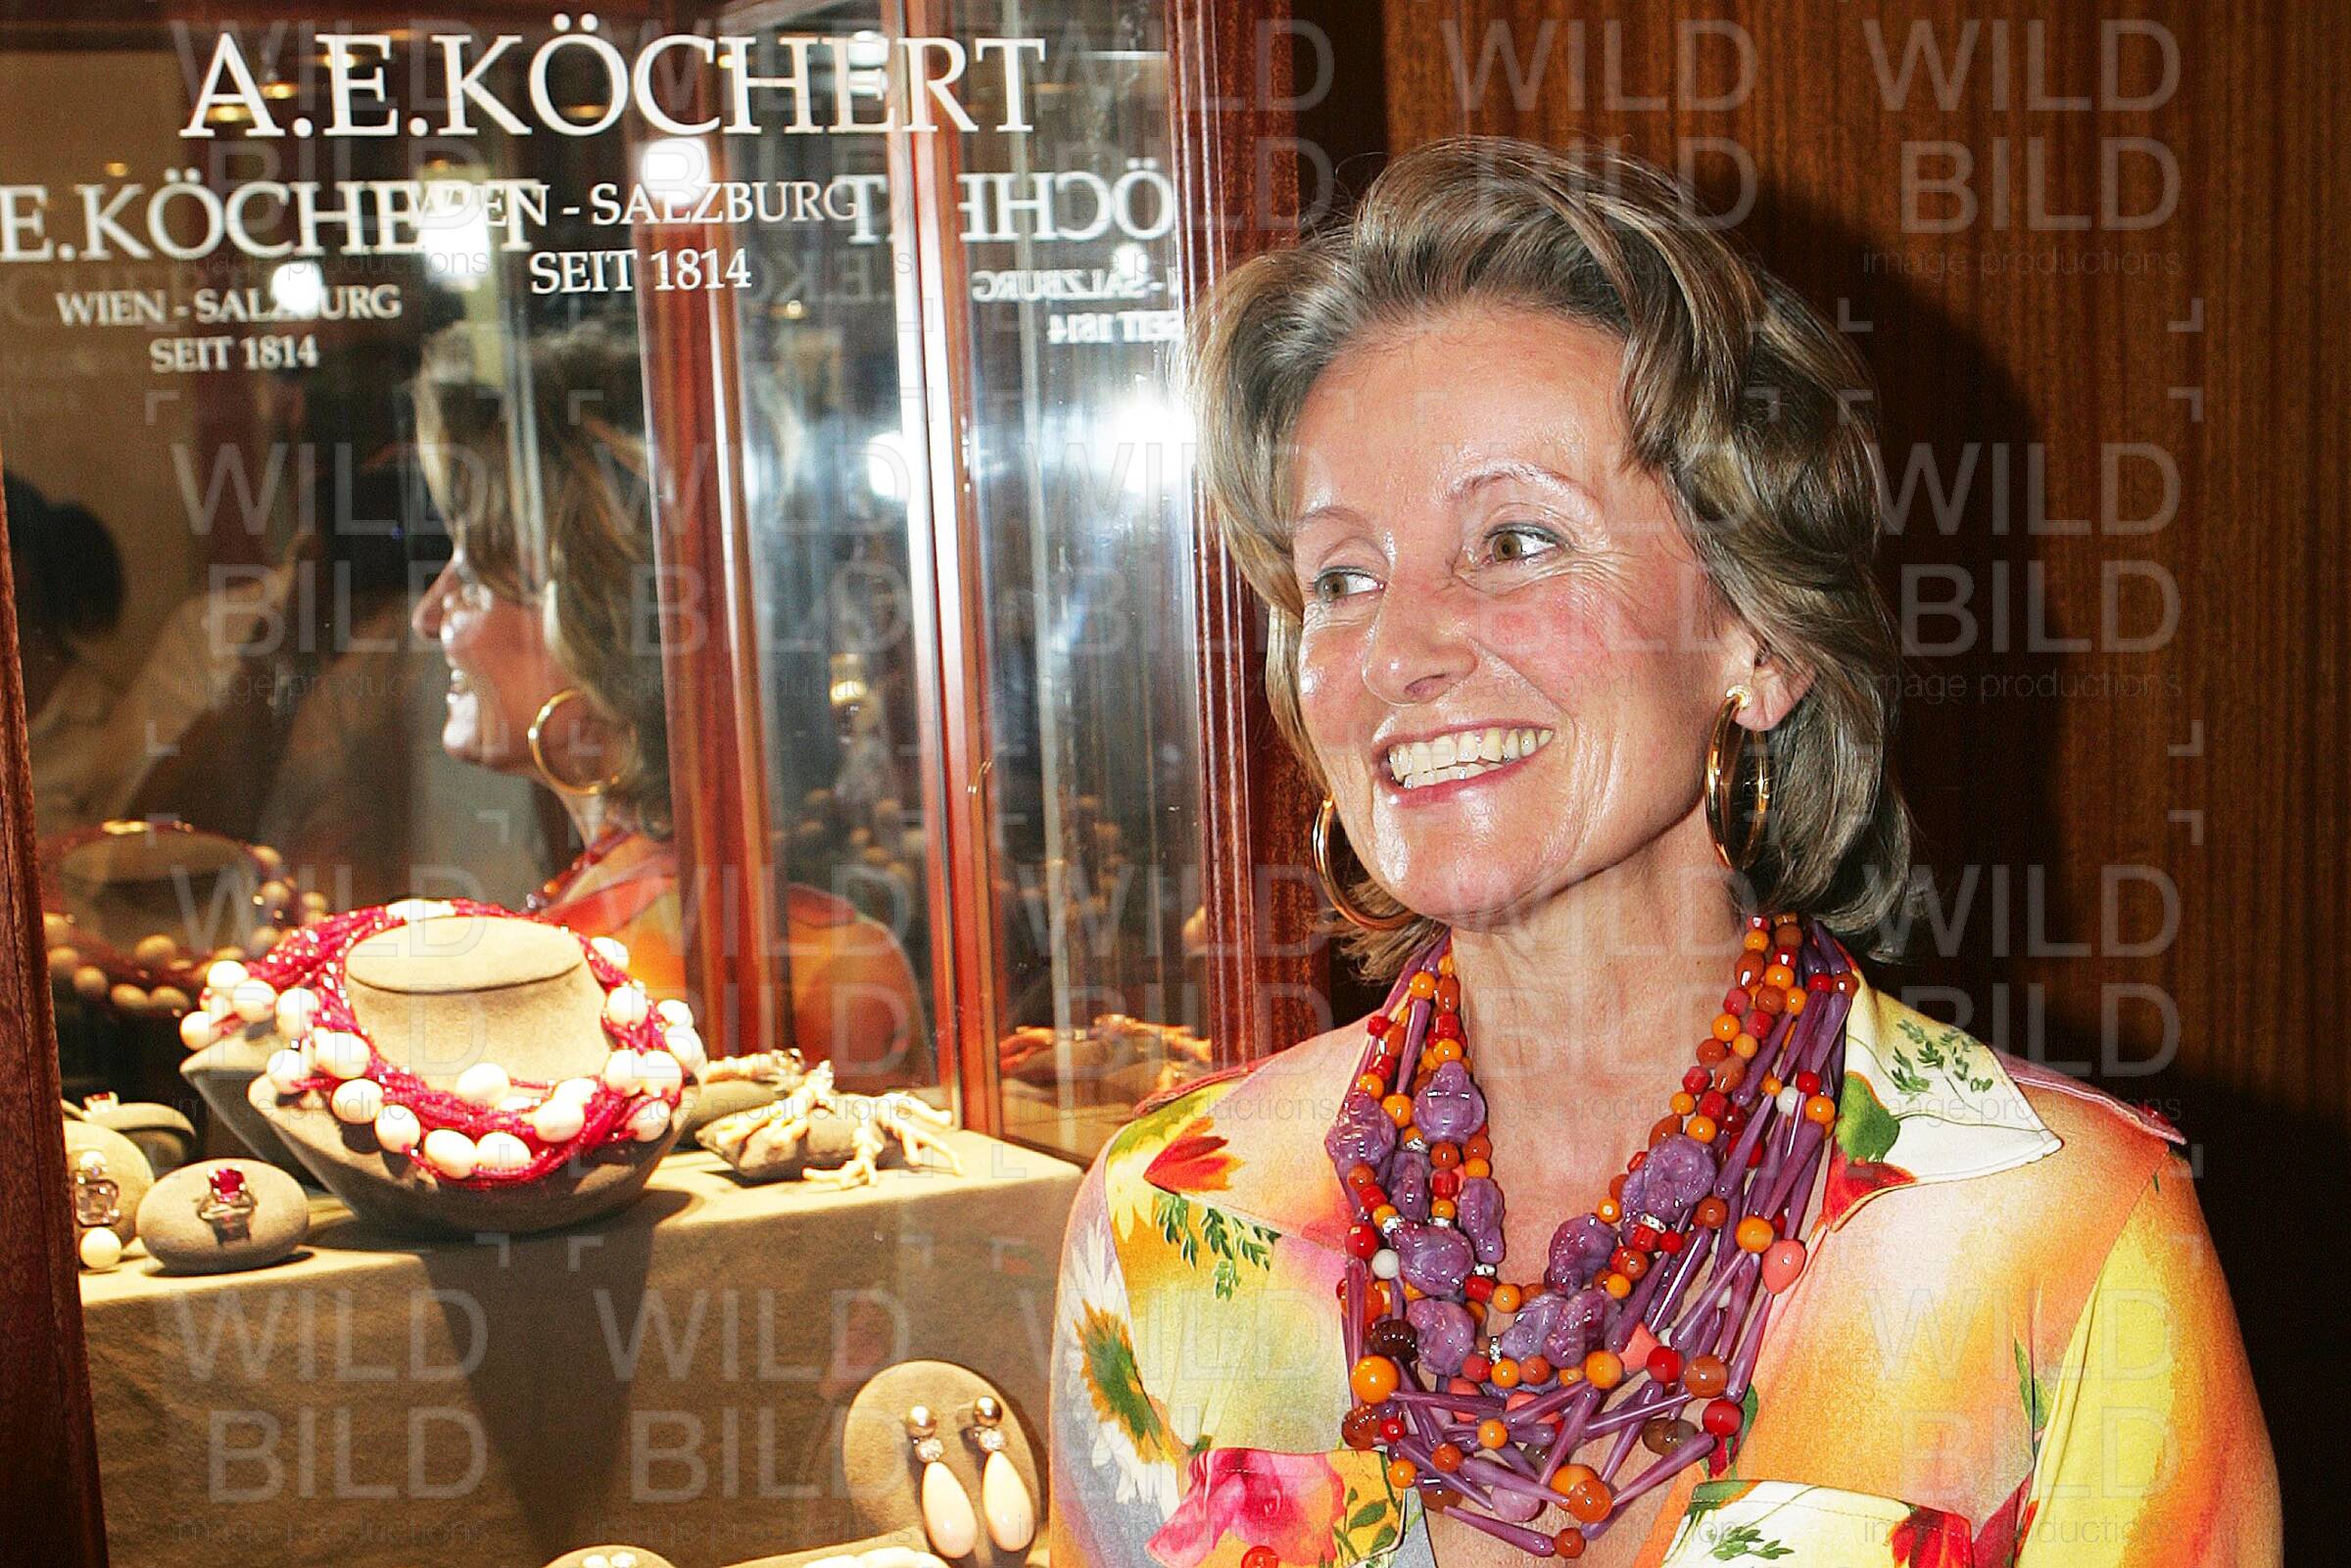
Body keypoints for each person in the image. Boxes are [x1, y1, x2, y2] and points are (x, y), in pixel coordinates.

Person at [1047, 140, 2278, 1567]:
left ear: (1757, 639)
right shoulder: (1173, 1213)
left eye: (1515, 540)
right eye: (1343, 576)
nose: (1396, 649)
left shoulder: (2059, 1230)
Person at [410, 319, 922, 1079]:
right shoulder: (812, 944)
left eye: (475, 577)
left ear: (593, 629)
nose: (428, 615)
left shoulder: (604, 976)